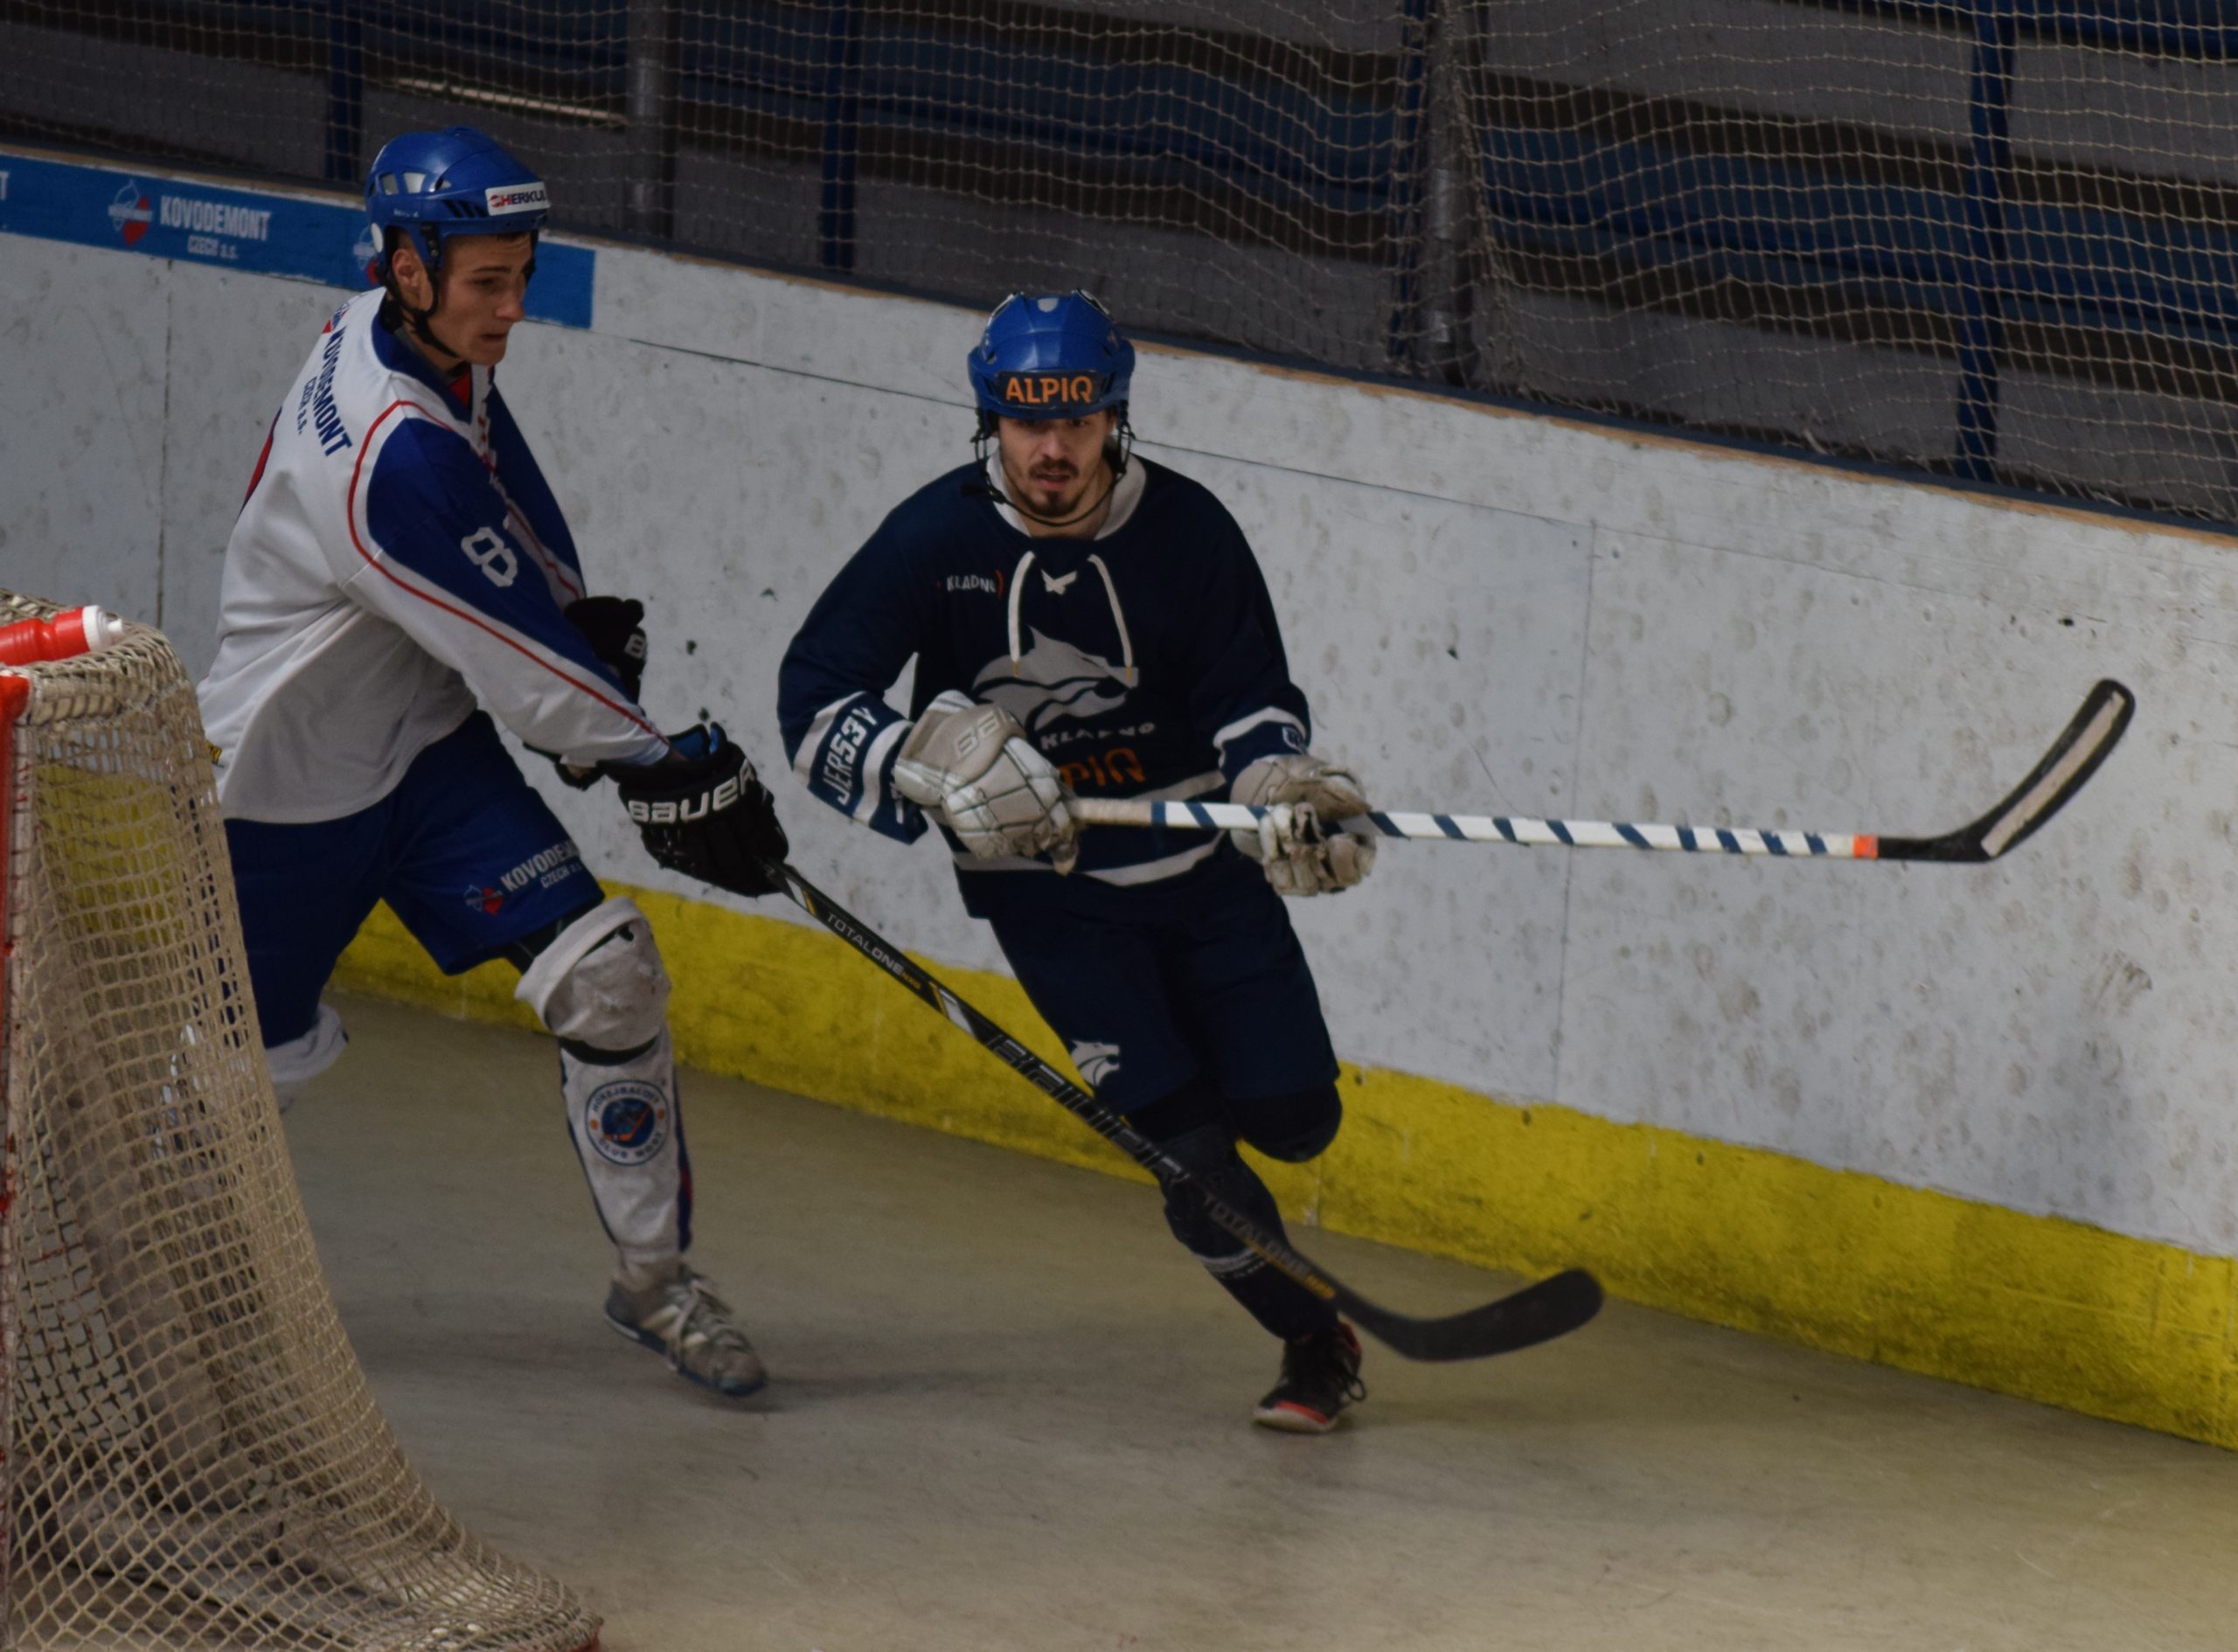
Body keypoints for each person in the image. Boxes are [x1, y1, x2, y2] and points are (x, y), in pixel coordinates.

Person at [198, 127, 789, 1399]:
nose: (512, 307)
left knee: (610, 981)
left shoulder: (410, 340)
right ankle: (154, 1318)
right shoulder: (383, 449)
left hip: (422, 755)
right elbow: (517, 665)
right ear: (409, 267)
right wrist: (657, 757)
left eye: (522, 274)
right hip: (281, 791)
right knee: (226, 1091)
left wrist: (571, 612)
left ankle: (656, 1282)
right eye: (487, 282)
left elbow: (499, 495)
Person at [777, 291, 1380, 1432]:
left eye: (1077, 420)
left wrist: (1278, 789)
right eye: (1025, 421)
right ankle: (1313, 1340)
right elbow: (813, 700)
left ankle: (1220, 1101)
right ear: (990, 419)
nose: (1051, 449)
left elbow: (1250, 698)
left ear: (1114, 417)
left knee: (1295, 1119)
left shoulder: (1190, 531)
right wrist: (914, 757)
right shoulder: (932, 540)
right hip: (1049, 898)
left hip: (1203, 877)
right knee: (1193, 1170)